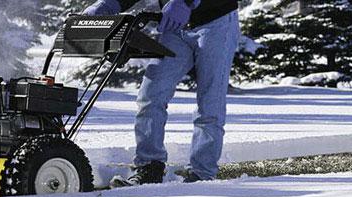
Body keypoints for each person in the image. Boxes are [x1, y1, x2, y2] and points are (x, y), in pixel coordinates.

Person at [83, 0, 239, 185]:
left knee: (210, 101)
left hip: (216, 22)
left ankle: (202, 173)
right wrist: (108, 4)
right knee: (150, 94)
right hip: (176, 26)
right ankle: (149, 166)